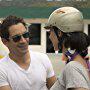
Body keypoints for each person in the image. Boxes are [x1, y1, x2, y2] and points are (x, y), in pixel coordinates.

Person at [0, 15, 56, 90]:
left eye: (25, 35)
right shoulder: (2, 69)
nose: (23, 41)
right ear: (5, 42)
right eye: (16, 38)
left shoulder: (43, 59)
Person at [44, 6, 90, 90]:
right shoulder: (83, 64)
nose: (50, 37)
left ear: (59, 33)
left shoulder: (72, 67)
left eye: (50, 31)